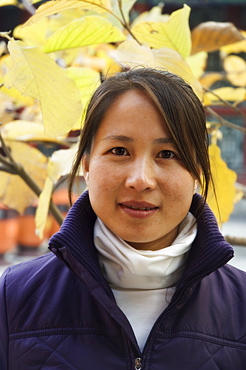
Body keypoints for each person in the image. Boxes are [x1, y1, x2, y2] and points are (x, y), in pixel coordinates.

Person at [0, 68, 246, 370]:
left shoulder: (242, 306)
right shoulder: (11, 300)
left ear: (196, 171)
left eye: (167, 154)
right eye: (119, 151)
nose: (140, 180)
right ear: (87, 165)